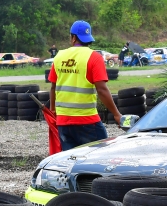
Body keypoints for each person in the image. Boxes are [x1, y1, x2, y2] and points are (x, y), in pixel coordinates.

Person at [49, 21, 122, 151]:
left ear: (73, 37)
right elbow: (102, 90)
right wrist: (116, 114)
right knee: (101, 155)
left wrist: (53, 110)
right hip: (87, 121)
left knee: (70, 161)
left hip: (63, 121)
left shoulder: (59, 56)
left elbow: (53, 87)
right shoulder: (94, 57)